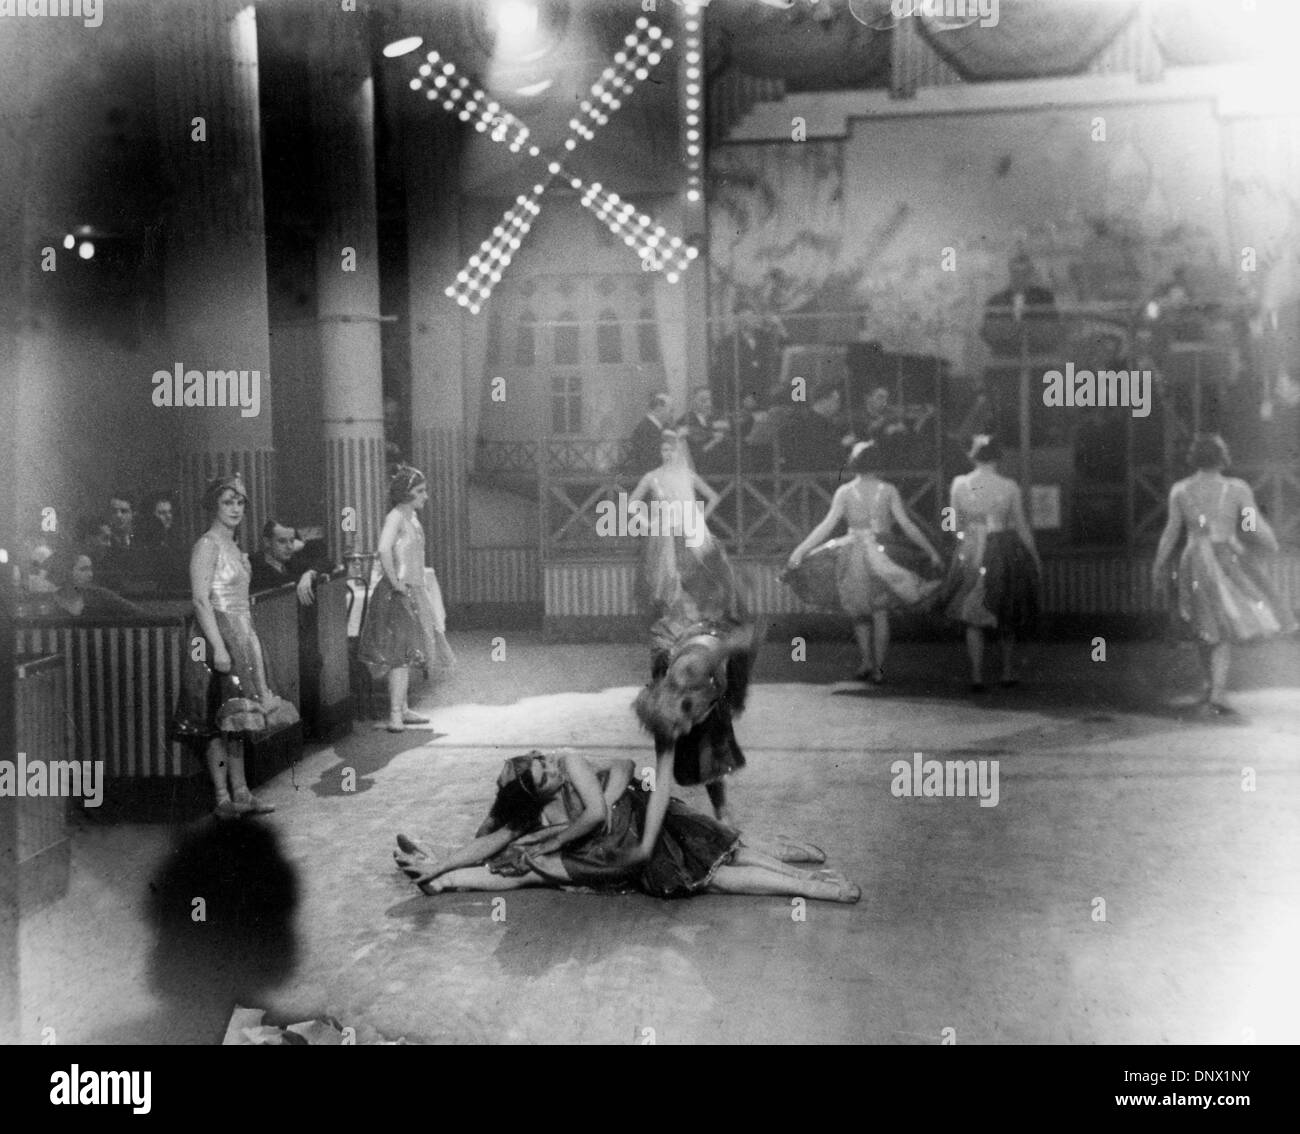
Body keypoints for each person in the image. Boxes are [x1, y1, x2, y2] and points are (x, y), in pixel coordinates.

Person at [392, 751, 859, 904]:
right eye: (542, 776)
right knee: (719, 871)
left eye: (540, 760)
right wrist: (439, 866)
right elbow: (490, 844)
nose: (549, 766)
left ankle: (803, 870)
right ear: (535, 795)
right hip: (621, 854)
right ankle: (818, 887)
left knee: (726, 847)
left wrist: (554, 835)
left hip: (639, 822)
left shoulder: (570, 764)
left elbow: (601, 805)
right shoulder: (532, 814)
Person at [172, 474, 299, 819]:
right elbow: (200, 600)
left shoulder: (235, 547)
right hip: (216, 635)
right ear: (214, 505)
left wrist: (245, 643)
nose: (235, 508)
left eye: (240, 502)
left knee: (239, 718)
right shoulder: (207, 545)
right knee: (218, 718)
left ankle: (243, 792)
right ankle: (223, 797)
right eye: (228, 502)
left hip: (241, 634)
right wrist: (219, 647)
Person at [1151, 434, 1296, 713]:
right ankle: (1217, 690)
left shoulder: (1180, 490)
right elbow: (1252, 523)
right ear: (1222, 457)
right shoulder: (1237, 488)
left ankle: (1211, 686)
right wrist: (1271, 541)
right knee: (1223, 625)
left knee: (1204, 625)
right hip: (1224, 558)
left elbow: (1171, 532)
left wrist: (1158, 564)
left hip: (1193, 560)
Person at [784, 440, 944, 682]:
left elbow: (826, 526)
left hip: (854, 554)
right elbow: (906, 524)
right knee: (880, 612)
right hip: (883, 554)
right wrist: (929, 549)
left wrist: (800, 550)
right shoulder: (888, 490)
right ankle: (877, 667)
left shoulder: (845, 491)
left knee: (859, 612)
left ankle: (866, 661)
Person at [358, 465, 456, 732]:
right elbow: (383, 548)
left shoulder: (411, 517)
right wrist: (395, 582)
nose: (426, 495)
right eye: (420, 491)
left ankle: (402, 708)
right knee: (399, 655)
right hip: (397, 594)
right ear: (406, 494)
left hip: (413, 589)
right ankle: (394, 714)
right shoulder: (396, 517)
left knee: (411, 650)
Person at [944, 436, 1042, 691]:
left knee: (971, 610)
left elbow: (954, 525)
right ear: (999, 457)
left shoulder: (959, 484)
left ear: (972, 456)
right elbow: (1021, 526)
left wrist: (966, 540)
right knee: (1005, 607)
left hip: (970, 548)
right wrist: (1034, 556)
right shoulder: (1009, 486)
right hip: (1002, 547)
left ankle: (977, 676)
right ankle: (1007, 672)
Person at [46, 546, 146, 618]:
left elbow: (141, 614)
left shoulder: (101, 595)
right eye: (84, 569)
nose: (90, 574)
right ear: (67, 572)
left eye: (91, 569)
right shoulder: (49, 601)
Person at [676, 387, 732, 474]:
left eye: (709, 399)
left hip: (723, 465)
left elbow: (727, 435)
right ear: (693, 401)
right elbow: (693, 438)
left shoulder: (719, 415)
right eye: (703, 400)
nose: (708, 404)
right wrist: (712, 436)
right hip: (699, 466)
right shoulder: (685, 419)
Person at [624, 392, 674, 477]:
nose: (672, 414)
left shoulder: (655, 426)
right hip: (639, 478)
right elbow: (650, 460)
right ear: (659, 409)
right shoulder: (646, 428)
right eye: (671, 410)